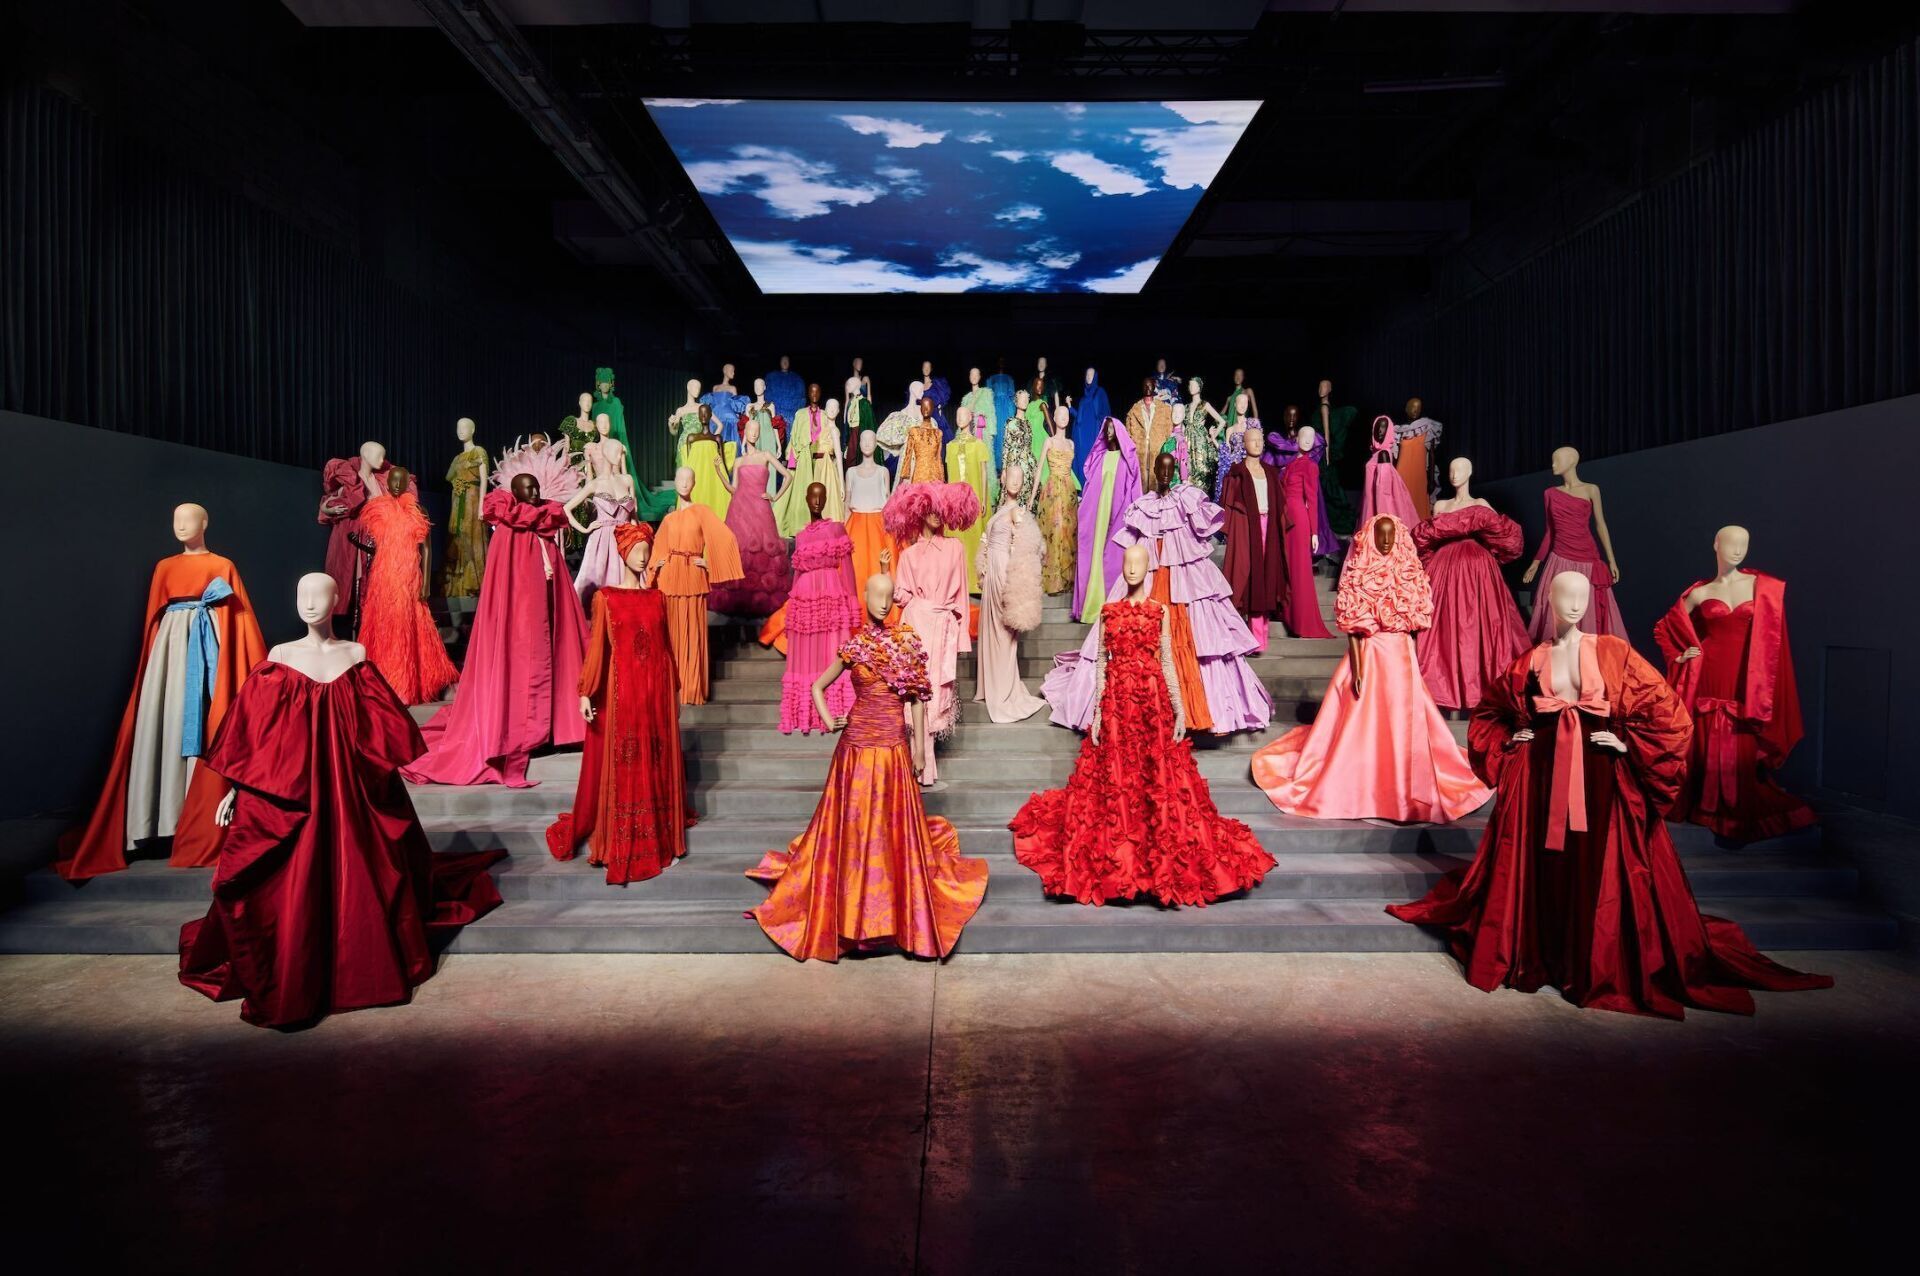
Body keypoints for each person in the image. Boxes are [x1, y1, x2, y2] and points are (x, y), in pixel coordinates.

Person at [1387, 571, 1834, 1018]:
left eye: (1582, 595)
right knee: (1546, 865)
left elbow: (1667, 711)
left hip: (1601, 776)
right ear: (1549, 600)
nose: (1575, 603)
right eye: (1566, 595)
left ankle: (1593, 961)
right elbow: (1491, 712)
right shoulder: (1531, 660)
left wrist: (1626, 744)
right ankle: (1546, 953)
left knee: (1598, 864)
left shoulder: (1613, 651)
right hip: (1541, 779)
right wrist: (1513, 737)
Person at [179, 572, 504, 1029]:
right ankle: (300, 964)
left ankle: (358, 963)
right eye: (302, 595)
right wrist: (238, 788)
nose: (310, 603)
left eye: (320, 595)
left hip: (349, 788)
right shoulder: (279, 658)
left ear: (336, 601)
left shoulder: (356, 655)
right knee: (288, 875)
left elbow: (377, 727)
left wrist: (383, 779)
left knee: (365, 865)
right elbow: (258, 733)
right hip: (295, 788)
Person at [1013, 544, 1274, 907]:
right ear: (1122, 568)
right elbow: (1102, 665)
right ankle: (1122, 860)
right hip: (1118, 707)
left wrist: (1180, 709)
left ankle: (1158, 862)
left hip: (1153, 706)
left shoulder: (1159, 611)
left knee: (1159, 781)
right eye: (1128, 563)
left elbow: (1167, 661)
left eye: (1139, 563)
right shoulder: (1109, 612)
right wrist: (1098, 713)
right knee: (1116, 780)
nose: (1133, 569)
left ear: (1148, 569)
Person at [746, 572, 989, 961]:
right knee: (855, 825)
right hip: (856, 747)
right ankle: (852, 909)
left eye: (888, 595)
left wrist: (920, 750)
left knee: (890, 826)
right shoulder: (855, 646)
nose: (883, 602)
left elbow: (917, 700)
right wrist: (829, 719)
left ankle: (887, 908)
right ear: (865, 596)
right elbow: (817, 686)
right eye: (876, 594)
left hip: (892, 747)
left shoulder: (906, 643)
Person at [1251, 515, 1490, 823]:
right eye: (1381, 535)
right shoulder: (1359, 571)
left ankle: (1404, 783)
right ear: (1372, 538)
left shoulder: (1409, 571)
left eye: (1390, 535)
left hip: (1401, 655)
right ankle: (1363, 785)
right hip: (1370, 652)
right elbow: (1353, 629)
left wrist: (1413, 660)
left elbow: (1416, 626)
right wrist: (1358, 667)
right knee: (1363, 720)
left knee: (1404, 720)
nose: (1386, 541)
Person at [402, 445, 586, 787]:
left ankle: (554, 729)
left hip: (545, 611)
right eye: (526, 489)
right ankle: (523, 732)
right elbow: (504, 584)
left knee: (553, 658)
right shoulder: (509, 532)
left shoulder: (545, 528)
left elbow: (554, 574)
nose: (533, 494)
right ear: (514, 492)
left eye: (536, 488)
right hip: (519, 620)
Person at [546, 523, 691, 884]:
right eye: (637, 550)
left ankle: (660, 833)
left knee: (655, 760)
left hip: (655, 693)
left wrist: (674, 690)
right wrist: (585, 690)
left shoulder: (657, 598)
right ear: (624, 553)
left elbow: (667, 649)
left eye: (647, 550)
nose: (643, 556)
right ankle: (626, 839)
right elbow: (598, 648)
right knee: (627, 763)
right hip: (623, 692)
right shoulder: (606, 598)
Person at [886, 482, 979, 785]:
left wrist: (961, 638)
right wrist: (886, 573)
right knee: (915, 692)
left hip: (942, 627)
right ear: (919, 511)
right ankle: (922, 763)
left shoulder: (955, 548)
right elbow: (902, 596)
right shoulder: (909, 554)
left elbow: (962, 596)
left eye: (941, 509)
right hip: (915, 625)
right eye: (930, 509)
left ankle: (922, 764)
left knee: (936, 694)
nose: (936, 515)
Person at [359, 466, 458, 705]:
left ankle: (405, 684)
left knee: (407, 628)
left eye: (400, 481)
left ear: (406, 484)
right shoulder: (378, 510)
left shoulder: (416, 511)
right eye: (392, 480)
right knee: (384, 628)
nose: (396, 485)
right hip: (383, 577)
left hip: (408, 576)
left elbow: (427, 549)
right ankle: (383, 681)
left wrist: (426, 583)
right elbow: (377, 546)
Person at [975, 464, 1048, 723]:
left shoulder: (1017, 512)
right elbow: (985, 541)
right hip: (993, 570)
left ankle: (1003, 686)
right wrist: (982, 566)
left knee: (1004, 631)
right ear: (1003, 479)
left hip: (1004, 569)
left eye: (1020, 478)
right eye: (1011, 477)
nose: (1016, 482)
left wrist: (1017, 574)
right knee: (992, 627)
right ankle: (992, 683)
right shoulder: (1001, 511)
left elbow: (1031, 544)